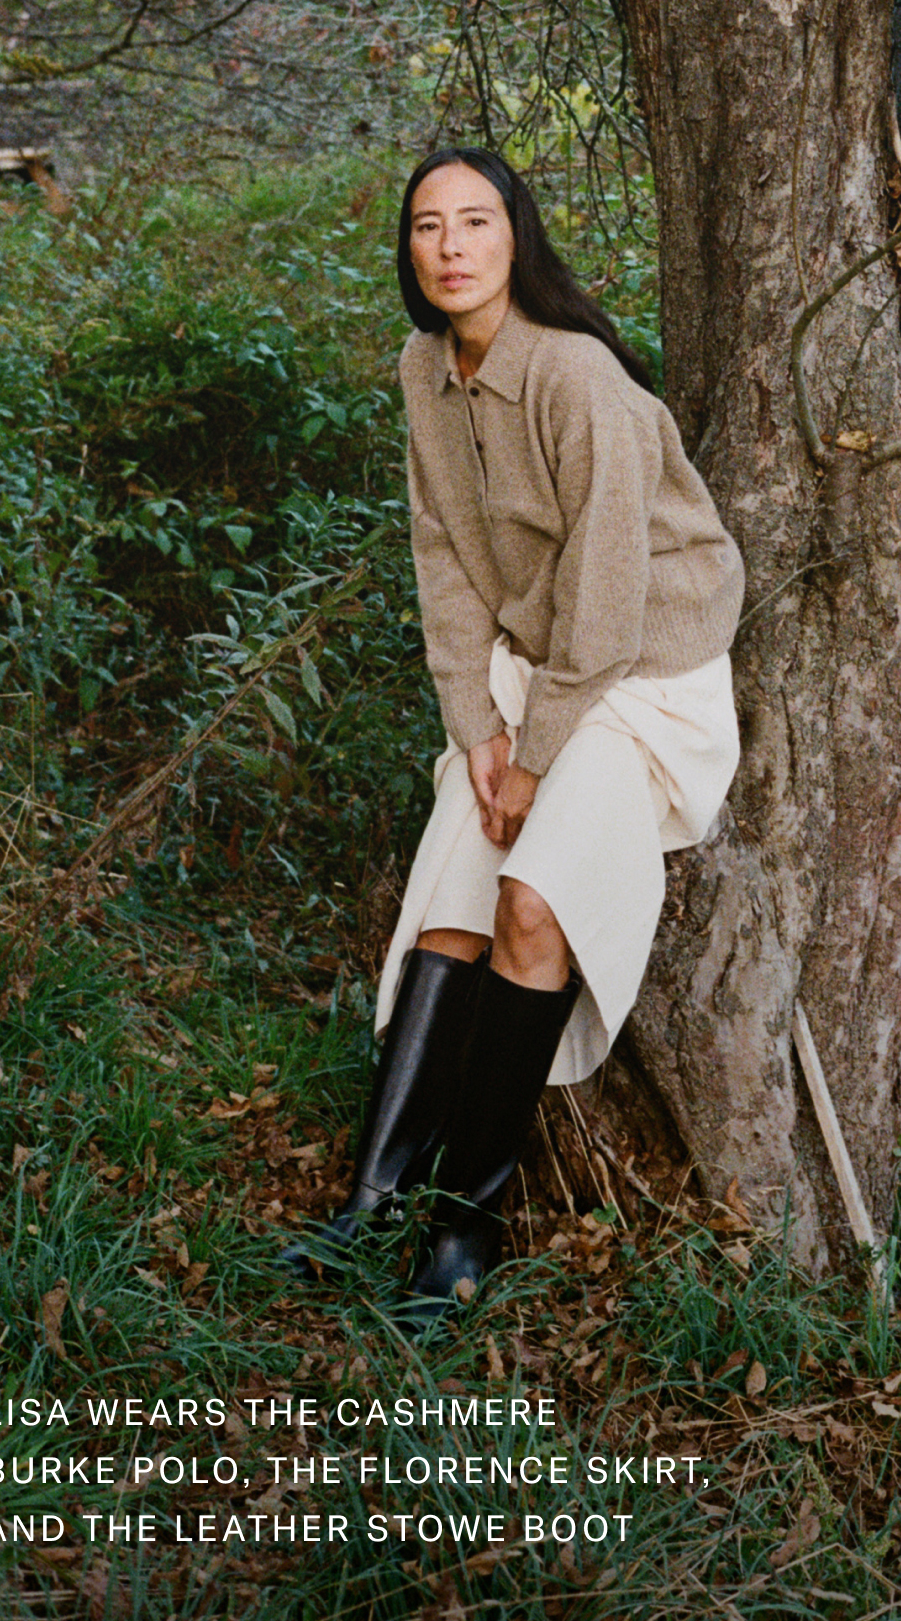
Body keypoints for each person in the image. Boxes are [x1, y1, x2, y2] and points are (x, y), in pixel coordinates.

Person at [283, 147, 744, 1325]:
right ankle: (375, 1198)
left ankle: (463, 1223)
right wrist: (477, 730)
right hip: (531, 672)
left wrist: (533, 753)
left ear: (513, 238)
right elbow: (442, 558)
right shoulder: (422, 371)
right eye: (426, 225)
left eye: (474, 222)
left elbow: (607, 592)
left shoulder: (574, 374)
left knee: (531, 904)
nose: (448, 246)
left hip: (641, 676)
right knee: (450, 893)